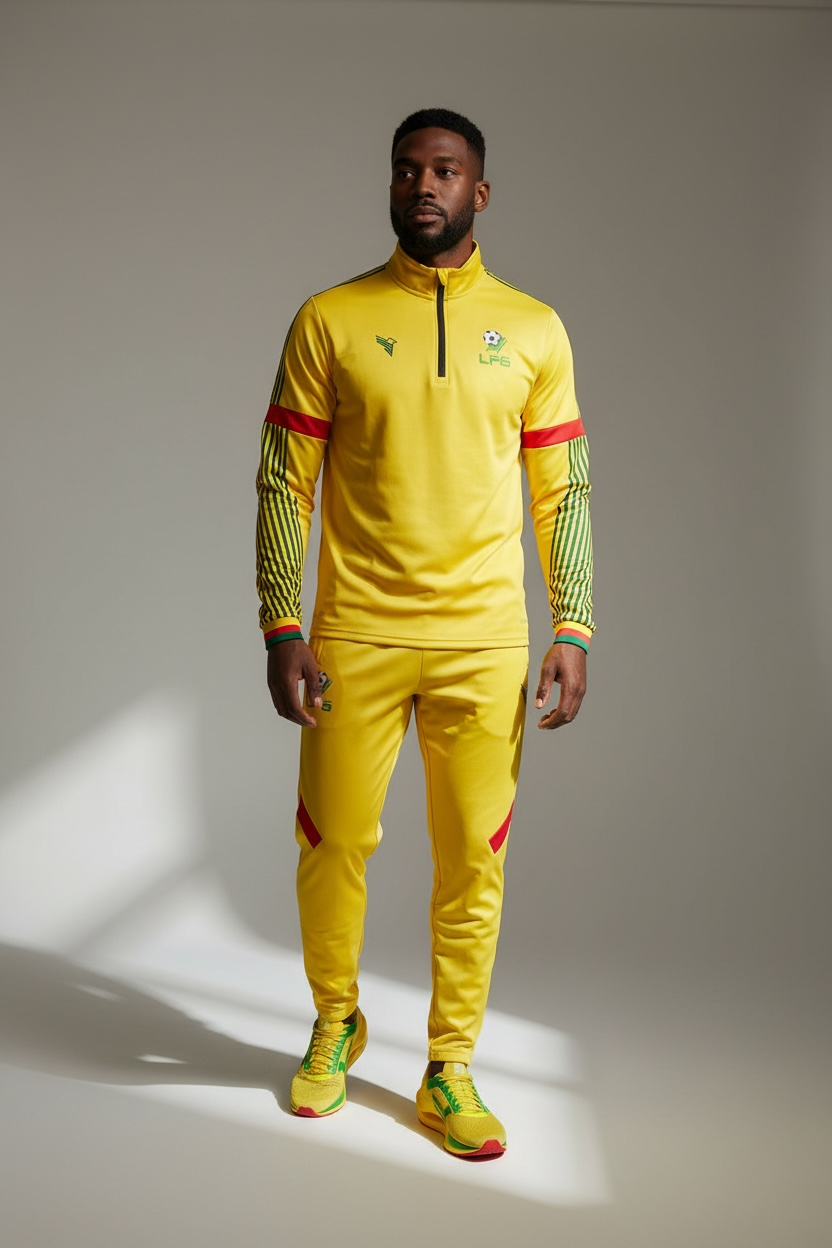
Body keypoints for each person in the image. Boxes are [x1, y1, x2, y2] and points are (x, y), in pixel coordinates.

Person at [255, 108, 594, 1160]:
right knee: (332, 844)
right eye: (407, 170)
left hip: (484, 642)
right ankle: (334, 1021)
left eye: (445, 171)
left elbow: (563, 491)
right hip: (354, 632)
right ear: (391, 185)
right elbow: (283, 481)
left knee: (471, 863)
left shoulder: (533, 329)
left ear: (478, 192)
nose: (423, 187)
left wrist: (574, 622)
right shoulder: (331, 319)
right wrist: (280, 621)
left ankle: (450, 1066)